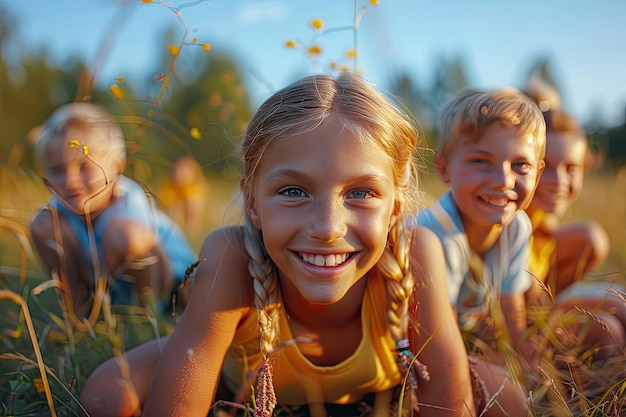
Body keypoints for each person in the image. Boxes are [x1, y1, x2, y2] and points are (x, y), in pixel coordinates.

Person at [78, 74, 530, 417]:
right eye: (294, 191)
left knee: (506, 394)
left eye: (361, 193)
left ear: (395, 205)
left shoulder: (416, 251)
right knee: (106, 395)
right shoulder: (232, 256)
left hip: (381, 382)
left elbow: (447, 402)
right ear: (252, 201)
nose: (327, 228)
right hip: (234, 379)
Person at [415, 87, 546, 370]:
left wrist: (524, 365)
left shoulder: (517, 227)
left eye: (521, 165)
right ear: (443, 168)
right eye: (481, 161)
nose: (503, 180)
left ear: (539, 173)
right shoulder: (434, 234)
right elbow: (438, 334)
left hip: (464, 331)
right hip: (411, 339)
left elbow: (511, 307)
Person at [29, 102, 197, 318]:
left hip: (174, 284)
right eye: (56, 170)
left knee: (124, 235)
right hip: (111, 286)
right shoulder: (59, 210)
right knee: (42, 224)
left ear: (118, 165)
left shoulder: (128, 200)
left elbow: (132, 244)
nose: (70, 182)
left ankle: (147, 316)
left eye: (84, 166)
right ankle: (76, 311)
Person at [523, 80, 625, 355]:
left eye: (571, 168)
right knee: (609, 329)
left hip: (538, 306)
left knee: (620, 304)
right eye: (547, 167)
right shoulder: (512, 223)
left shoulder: (543, 219)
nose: (558, 181)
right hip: (516, 326)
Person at [159, 155, 208, 238]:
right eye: (178, 170)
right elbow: (165, 201)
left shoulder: (194, 185)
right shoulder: (170, 185)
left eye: (184, 171)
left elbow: (195, 201)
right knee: (176, 210)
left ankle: (193, 230)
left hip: (188, 209)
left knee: (193, 205)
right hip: (174, 210)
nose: (180, 174)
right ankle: (176, 231)